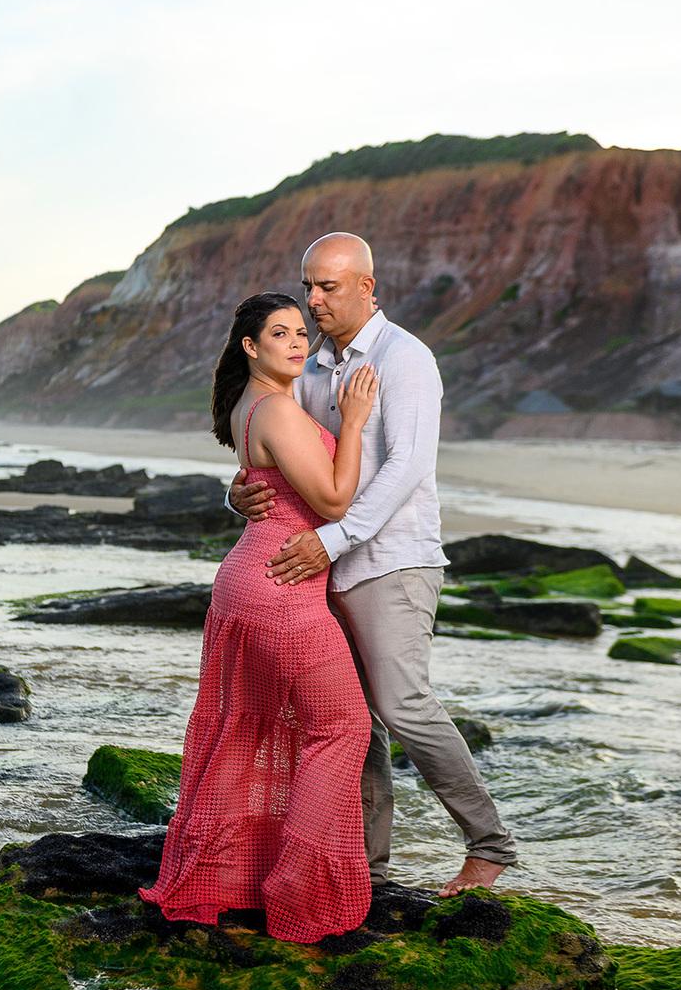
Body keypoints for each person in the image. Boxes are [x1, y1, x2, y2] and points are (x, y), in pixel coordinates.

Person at [228, 232, 517, 898]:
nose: (315, 298)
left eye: (328, 286)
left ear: (367, 287)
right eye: (309, 285)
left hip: (391, 561)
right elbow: (287, 454)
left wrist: (333, 540)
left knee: (401, 703)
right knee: (350, 723)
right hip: (326, 569)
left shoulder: (405, 358)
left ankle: (489, 844)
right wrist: (234, 493)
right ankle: (368, 868)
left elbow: (406, 467)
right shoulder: (311, 364)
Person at [140, 292, 380, 944]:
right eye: (281, 333)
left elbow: (261, 481)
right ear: (252, 346)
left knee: (245, 734)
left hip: (247, 582)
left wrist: (233, 493)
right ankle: (295, 888)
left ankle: (232, 879)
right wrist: (354, 420)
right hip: (282, 589)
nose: (299, 343)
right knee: (342, 728)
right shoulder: (276, 408)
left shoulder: (250, 407)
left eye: (302, 332)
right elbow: (332, 499)